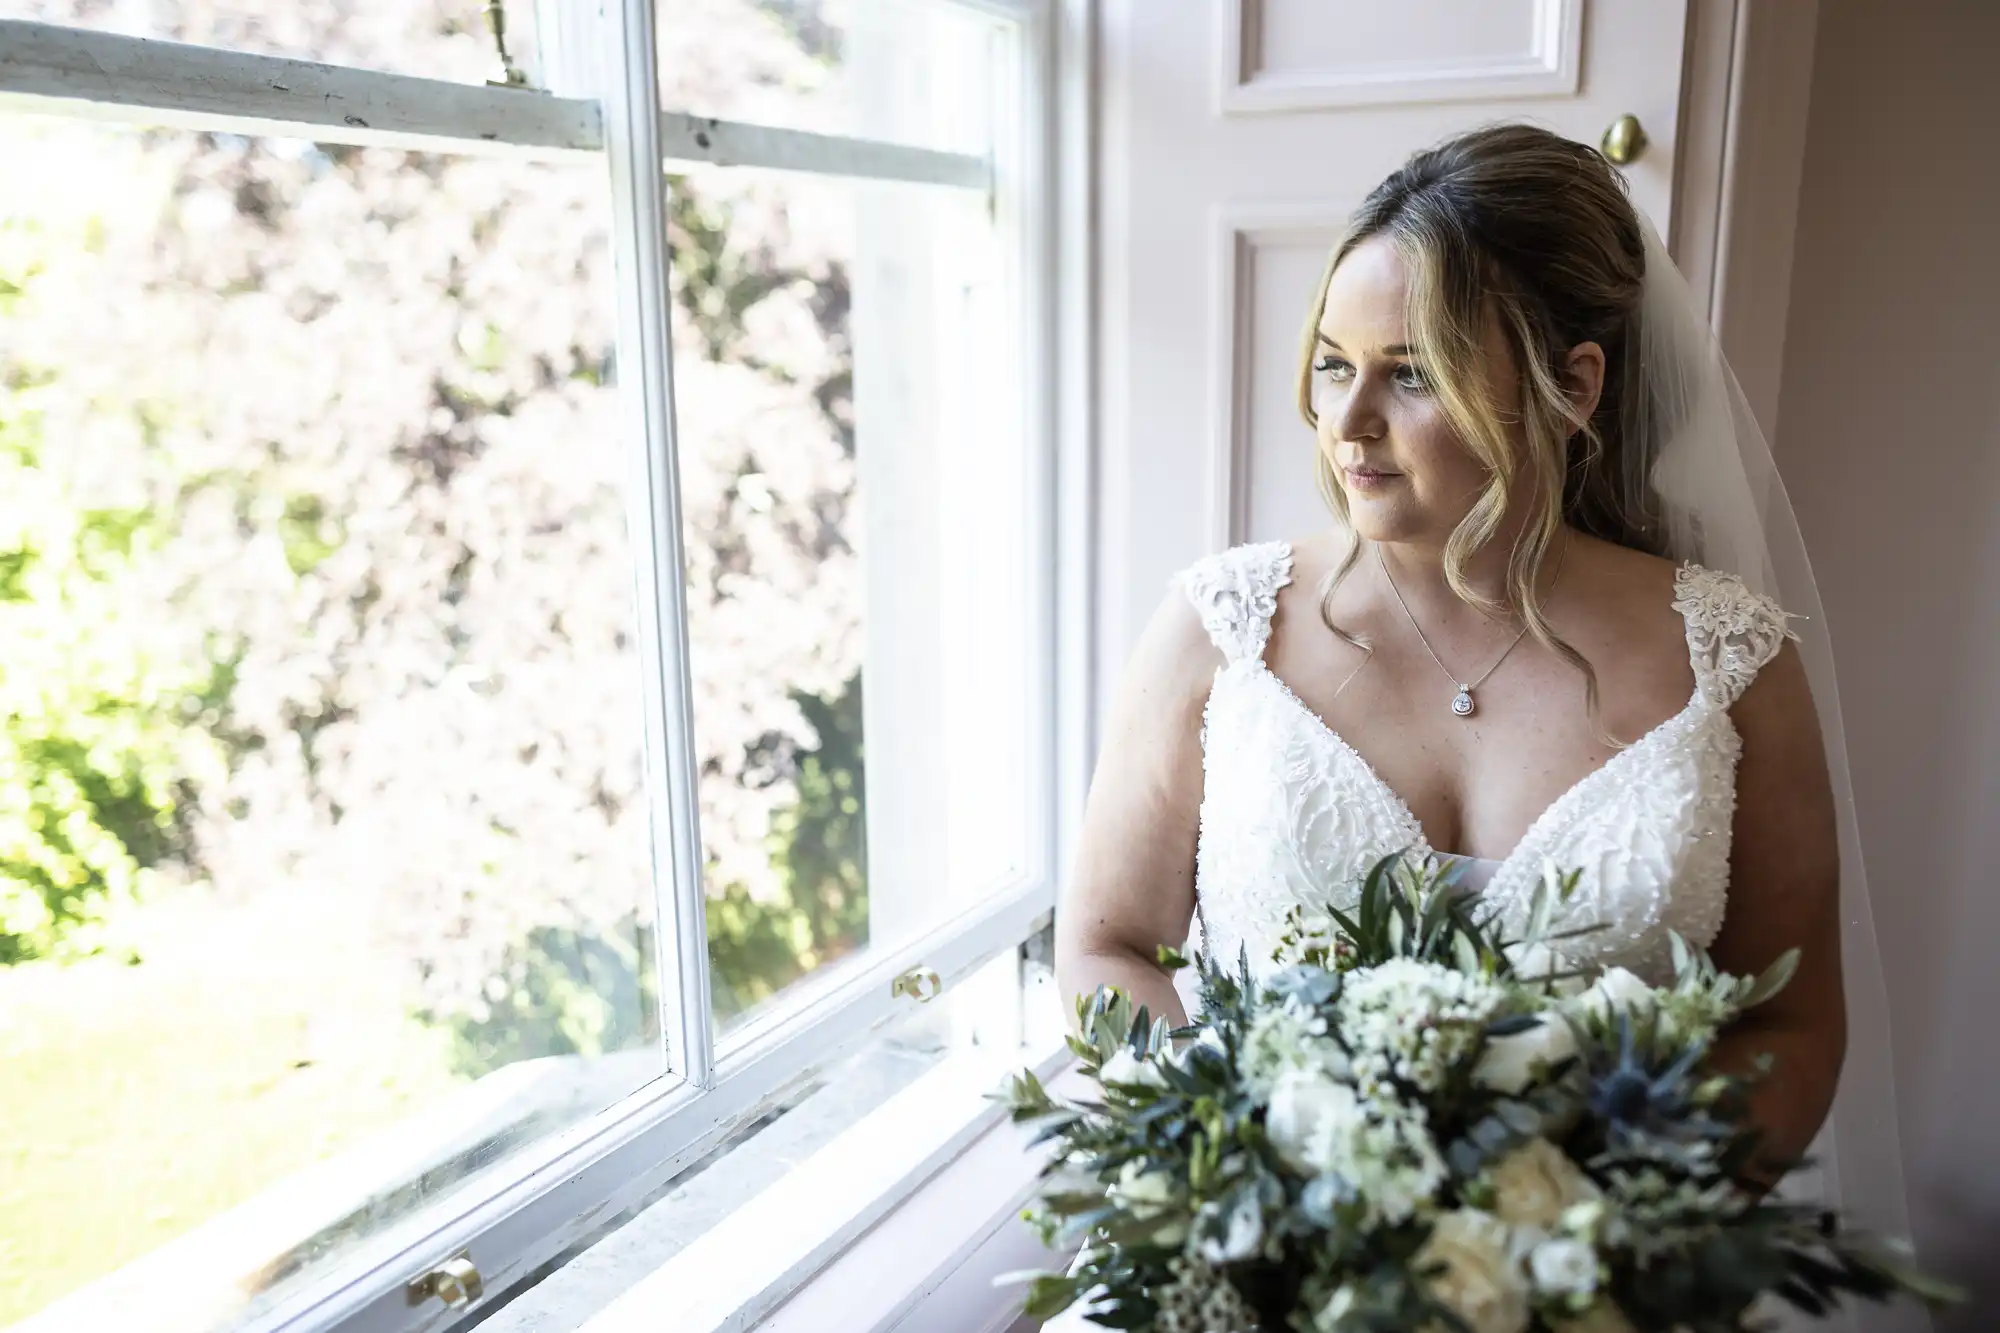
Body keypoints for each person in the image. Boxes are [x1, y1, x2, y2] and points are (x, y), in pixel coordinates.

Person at [1055, 123, 1911, 1242]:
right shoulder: (1222, 629)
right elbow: (1103, 947)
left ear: (1569, 387)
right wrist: (1254, 1178)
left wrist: (1593, 1238)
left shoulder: (1732, 661)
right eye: (1330, 361)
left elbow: (1786, 1020)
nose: (1344, 421)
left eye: (1409, 374)